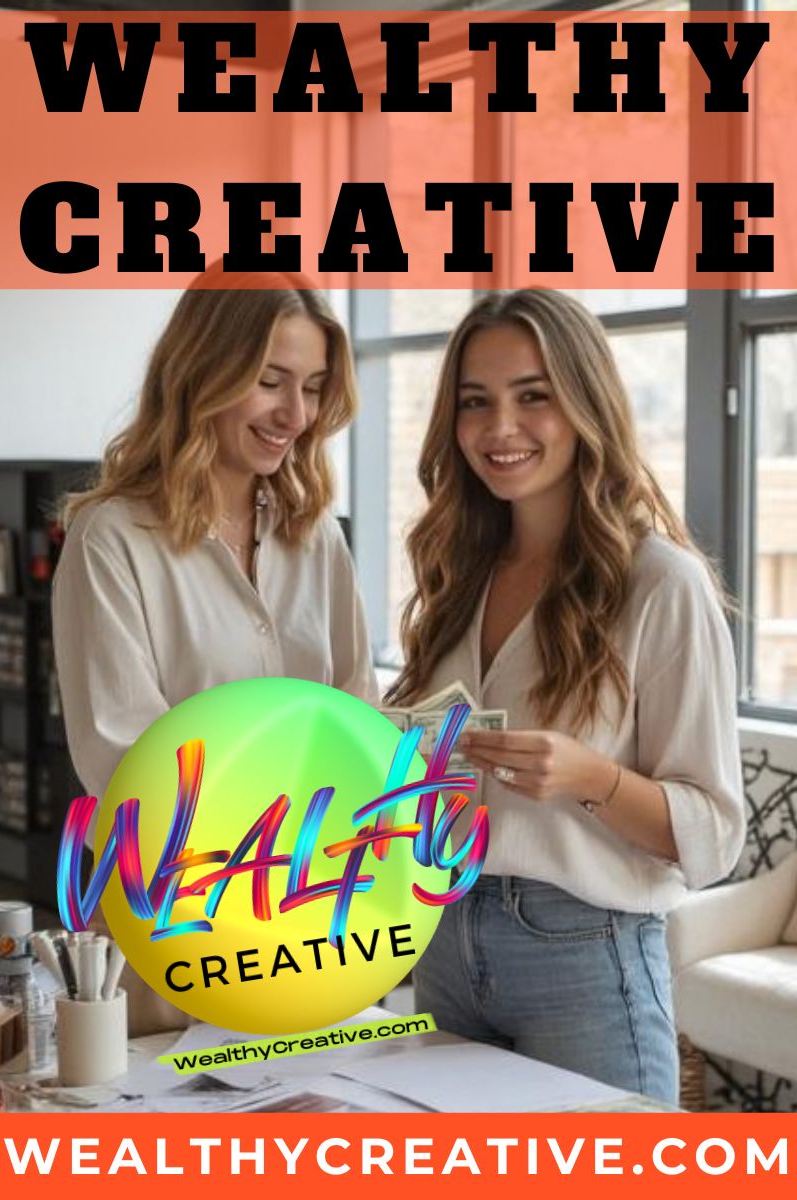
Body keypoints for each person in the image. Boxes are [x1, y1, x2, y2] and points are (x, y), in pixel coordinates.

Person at [387, 289, 745, 1104]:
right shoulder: (456, 575)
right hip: (441, 937)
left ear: (585, 402)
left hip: (583, 953)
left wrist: (593, 780)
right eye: (475, 403)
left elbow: (716, 836)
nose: (498, 428)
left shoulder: (661, 585)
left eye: (532, 396)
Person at [52, 270, 377, 1030]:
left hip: (316, 928)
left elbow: (357, 715)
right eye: (270, 381)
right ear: (203, 371)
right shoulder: (113, 538)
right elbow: (124, 755)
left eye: (314, 386)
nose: (295, 414)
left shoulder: (317, 537)